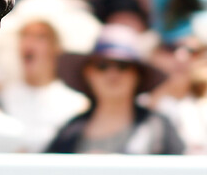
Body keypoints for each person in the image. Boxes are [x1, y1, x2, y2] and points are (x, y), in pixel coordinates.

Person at [0, 0, 99, 152]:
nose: (30, 43)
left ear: (56, 47)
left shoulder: (76, 104)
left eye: (40, 37)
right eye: (25, 35)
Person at [46, 24, 185, 154]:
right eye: (102, 66)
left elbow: (182, 174)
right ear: (88, 74)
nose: (112, 74)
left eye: (122, 66)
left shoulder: (158, 127)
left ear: (137, 75)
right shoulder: (70, 132)